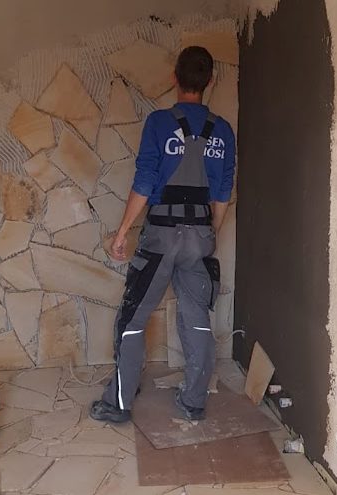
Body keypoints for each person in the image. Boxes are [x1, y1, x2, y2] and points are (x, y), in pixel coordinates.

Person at [90, 46, 236, 424]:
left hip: (161, 236)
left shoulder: (159, 123)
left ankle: (119, 403)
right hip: (200, 236)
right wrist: (210, 234)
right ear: (210, 81)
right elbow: (222, 193)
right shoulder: (223, 131)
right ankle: (194, 402)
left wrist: (122, 232)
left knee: (133, 318)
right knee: (197, 318)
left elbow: (145, 181)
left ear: (174, 78)